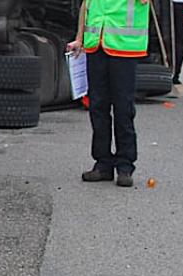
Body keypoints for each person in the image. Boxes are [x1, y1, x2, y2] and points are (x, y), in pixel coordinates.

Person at [67, 0, 150, 187]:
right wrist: (79, 39)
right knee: (97, 107)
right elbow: (86, 6)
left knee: (123, 109)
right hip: (96, 45)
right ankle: (103, 164)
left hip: (124, 47)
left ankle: (125, 166)